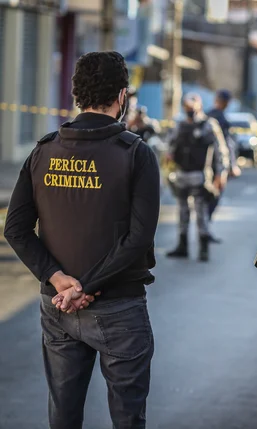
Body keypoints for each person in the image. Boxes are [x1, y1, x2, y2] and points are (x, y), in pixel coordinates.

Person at [3, 51, 159, 429]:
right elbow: (138, 238)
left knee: (63, 416)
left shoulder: (43, 150)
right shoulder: (135, 154)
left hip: (56, 307)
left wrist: (59, 280)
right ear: (123, 96)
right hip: (118, 308)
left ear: (77, 94)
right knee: (127, 418)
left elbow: (16, 229)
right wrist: (84, 286)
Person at [166, 93, 229, 261]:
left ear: (199, 106)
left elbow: (220, 151)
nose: (189, 111)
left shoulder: (208, 125)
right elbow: (170, 146)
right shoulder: (179, 125)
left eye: (192, 107)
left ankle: (203, 247)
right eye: (187, 107)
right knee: (182, 211)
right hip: (181, 173)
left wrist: (220, 174)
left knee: (200, 212)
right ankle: (182, 246)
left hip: (200, 174)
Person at [208, 89, 242, 180]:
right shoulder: (220, 118)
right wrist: (232, 165)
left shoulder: (208, 114)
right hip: (217, 160)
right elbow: (228, 143)